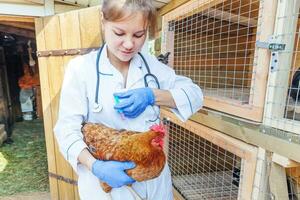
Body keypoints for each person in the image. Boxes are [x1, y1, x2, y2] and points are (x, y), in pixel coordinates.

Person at [54, 0, 203, 199]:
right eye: (119, 33)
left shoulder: (153, 67)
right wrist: (95, 166)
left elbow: (194, 94)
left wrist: (152, 95)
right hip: (105, 187)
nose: (129, 44)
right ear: (103, 21)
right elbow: (66, 129)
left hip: (154, 184)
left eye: (139, 35)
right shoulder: (81, 69)